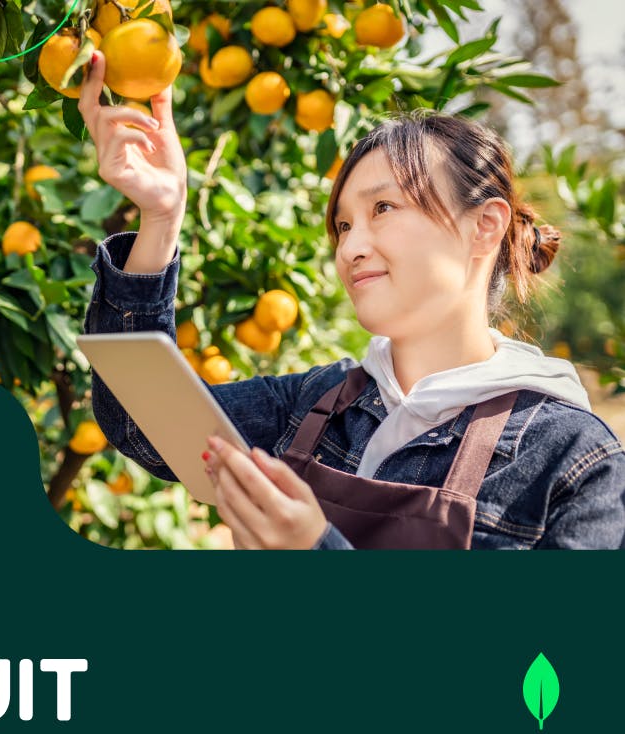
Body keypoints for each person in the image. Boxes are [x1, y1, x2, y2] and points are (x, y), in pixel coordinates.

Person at [76, 49, 625, 549]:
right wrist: (163, 218)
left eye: (383, 208)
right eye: (342, 225)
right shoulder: (319, 403)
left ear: (485, 226)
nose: (351, 247)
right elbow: (141, 422)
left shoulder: (570, 462)